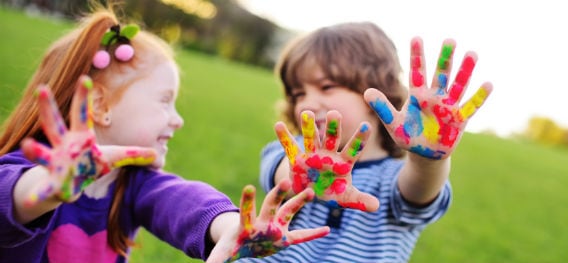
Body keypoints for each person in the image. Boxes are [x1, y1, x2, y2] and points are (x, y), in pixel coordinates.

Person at [0, 5, 329, 263]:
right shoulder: (23, 172)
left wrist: (232, 227)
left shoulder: (133, 184)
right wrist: (49, 187)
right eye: (164, 102)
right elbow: (12, 196)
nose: (178, 121)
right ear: (100, 105)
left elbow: (184, 202)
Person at [239, 22, 493, 262]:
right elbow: (284, 176)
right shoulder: (292, 152)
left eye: (326, 86)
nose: (307, 103)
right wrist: (305, 176)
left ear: (376, 91)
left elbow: (419, 193)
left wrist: (427, 159)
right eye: (298, 93)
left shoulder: (395, 177)